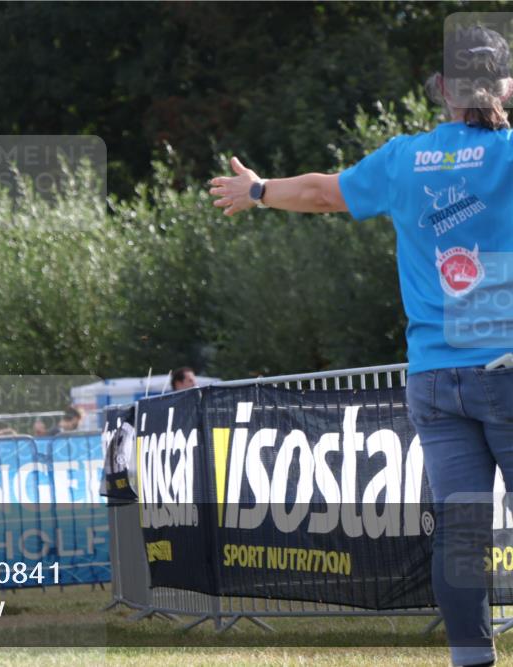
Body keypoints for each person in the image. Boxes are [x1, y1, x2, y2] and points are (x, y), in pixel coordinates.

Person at [209, 24, 512, 667]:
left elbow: (323, 191)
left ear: (442, 91)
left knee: (459, 538)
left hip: (433, 379)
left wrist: (259, 190)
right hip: (503, 368)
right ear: (504, 87)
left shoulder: (405, 159)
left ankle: (471, 661)